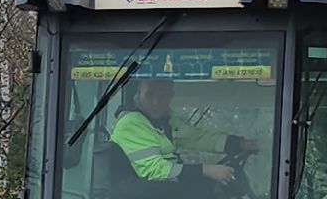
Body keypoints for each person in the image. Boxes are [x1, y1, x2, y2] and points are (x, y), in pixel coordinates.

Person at [108, 77, 261, 189]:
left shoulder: (165, 119)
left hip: (166, 193)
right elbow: (153, 170)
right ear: (139, 93)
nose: (156, 102)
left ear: (171, 97)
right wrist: (205, 170)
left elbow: (196, 138)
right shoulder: (131, 123)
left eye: (163, 97)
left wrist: (236, 143)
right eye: (150, 95)